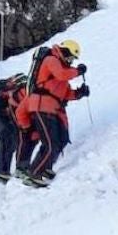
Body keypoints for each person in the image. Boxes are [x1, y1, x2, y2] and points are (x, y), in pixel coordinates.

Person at [19, 39, 89, 187]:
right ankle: (34, 173)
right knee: (50, 144)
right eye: (71, 57)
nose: (71, 61)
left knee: (61, 140)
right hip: (42, 106)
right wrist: (78, 71)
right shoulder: (51, 60)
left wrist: (79, 93)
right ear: (65, 51)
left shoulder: (62, 70)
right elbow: (62, 74)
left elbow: (65, 93)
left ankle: (45, 167)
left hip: (53, 109)